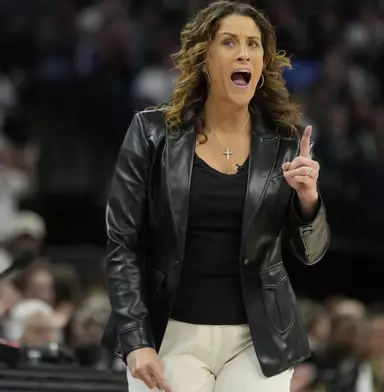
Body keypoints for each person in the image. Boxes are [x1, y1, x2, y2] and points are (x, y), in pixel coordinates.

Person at [99, 2, 331, 392]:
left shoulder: (286, 145)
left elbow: (311, 253)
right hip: (170, 335)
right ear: (204, 57)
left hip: (256, 343)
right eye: (229, 42)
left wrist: (308, 201)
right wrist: (136, 339)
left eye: (253, 45)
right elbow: (123, 243)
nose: (244, 53)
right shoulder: (151, 133)